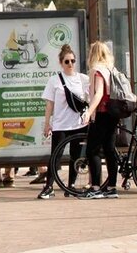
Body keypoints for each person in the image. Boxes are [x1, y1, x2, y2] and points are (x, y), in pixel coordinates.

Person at [37, 43, 89, 199]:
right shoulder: (55, 80)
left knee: (76, 155)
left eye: (73, 61)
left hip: (79, 124)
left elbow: (92, 97)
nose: (70, 64)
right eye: (67, 61)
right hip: (61, 124)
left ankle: (70, 186)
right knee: (56, 156)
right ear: (61, 63)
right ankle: (49, 187)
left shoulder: (83, 79)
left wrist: (89, 114)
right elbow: (49, 104)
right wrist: (47, 124)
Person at [81, 40, 120, 199]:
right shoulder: (112, 70)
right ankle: (111, 187)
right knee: (110, 150)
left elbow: (98, 93)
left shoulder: (98, 70)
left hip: (102, 113)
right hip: (113, 113)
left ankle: (96, 187)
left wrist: (89, 112)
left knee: (93, 150)